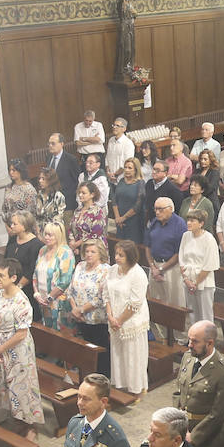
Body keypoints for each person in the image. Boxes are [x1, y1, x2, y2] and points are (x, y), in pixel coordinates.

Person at [170, 321, 224, 447]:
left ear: (210, 343)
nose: (189, 345)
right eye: (189, 340)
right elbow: (179, 392)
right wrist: (177, 425)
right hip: (185, 431)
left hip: (212, 441)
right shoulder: (188, 357)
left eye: (195, 341)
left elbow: (218, 413)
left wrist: (194, 437)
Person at [0, 258, 44, 440]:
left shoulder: (21, 301)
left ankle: (30, 426)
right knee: (7, 386)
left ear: (13, 277)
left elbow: (21, 333)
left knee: (22, 387)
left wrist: (0, 349)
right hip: (1, 349)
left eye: (1, 275)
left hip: (18, 352)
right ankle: (16, 421)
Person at [107, 241, 150, 395]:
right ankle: (120, 385)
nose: (116, 258)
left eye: (121, 255)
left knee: (133, 357)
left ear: (130, 257)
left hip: (132, 322)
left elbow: (135, 303)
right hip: (114, 320)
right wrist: (111, 317)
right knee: (118, 354)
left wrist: (119, 320)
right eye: (116, 254)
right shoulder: (112, 270)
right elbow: (106, 295)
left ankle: (136, 389)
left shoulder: (138, 274)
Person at [66, 238, 109, 363]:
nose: (89, 254)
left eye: (93, 252)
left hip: (97, 320)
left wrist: (81, 310)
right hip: (79, 318)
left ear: (100, 253)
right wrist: (75, 310)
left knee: (100, 354)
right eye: (87, 251)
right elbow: (70, 289)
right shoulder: (80, 266)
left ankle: (102, 377)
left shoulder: (106, 270)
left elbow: (100, 298)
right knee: (85, 352)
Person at [33, 221, 75, 331]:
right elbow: (35, 274)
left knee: (59, 333)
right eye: (45, 234)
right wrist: (37, 294)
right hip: (42, 301)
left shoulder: (66, 252)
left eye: (50, 235)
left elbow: (64, 281)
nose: (46, 237)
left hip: (58, 302)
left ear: (58, 236)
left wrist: (49, 297)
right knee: (47, 331)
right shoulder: (42, 250)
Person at [112, 158, 146, 244]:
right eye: (125, 167)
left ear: (136, 170)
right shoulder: (121, 181)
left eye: (130, 168)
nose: (126, 170)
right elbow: (114, 199)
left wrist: (123, 218)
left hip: (133, 222)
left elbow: (138, 205)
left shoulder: (140, 183)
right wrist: (117, 218)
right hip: (119, 221)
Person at [35, 166, 67, 233]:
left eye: (43, 179)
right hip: (40, 231)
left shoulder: (58, 196)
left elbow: (59, 217)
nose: (40, 181)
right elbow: (37, 216)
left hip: (54, 231)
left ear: (50, 180)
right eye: (40, 178)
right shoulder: (39, 195)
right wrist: (38, 232)